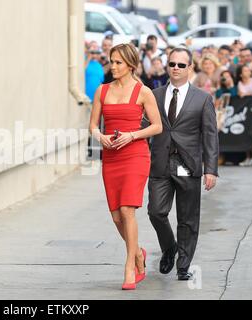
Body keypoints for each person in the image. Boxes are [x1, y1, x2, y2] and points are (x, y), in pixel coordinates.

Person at [89, 43, 162, 290]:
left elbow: (157, 126)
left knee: (127, 209)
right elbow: (93, 126)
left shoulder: (144, 92)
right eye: (112, 61)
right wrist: (101, 137)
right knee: (116, 216)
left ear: (131, 64)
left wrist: (132, 135)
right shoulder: (102, 90)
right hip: (111, 157)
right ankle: (139, 254)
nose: (114, 66)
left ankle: (129, 266)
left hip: (135, 155)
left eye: (119, 62)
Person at [148, 47, 219, 281]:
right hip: (160, 162)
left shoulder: (202, 98)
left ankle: (183, 265)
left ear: (190, 68)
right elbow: (143, 125)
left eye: (181, 65)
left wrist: (211, 169)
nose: (175, 68)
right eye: (172, 64)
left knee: (188, 218)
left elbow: (210, 135)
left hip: (188, 164)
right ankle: (170, 248)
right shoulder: (154, 95)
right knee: (156, 212)